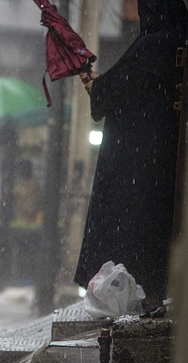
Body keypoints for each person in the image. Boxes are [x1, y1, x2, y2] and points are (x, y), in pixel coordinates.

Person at [75, 0, 187, 312]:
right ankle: (153, 295)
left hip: (137, 163)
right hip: (161, 166)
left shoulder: (153, 46)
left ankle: (145, 297)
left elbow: (113, 89)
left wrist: (94, 85)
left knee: (133, 233)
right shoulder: (178, 42)